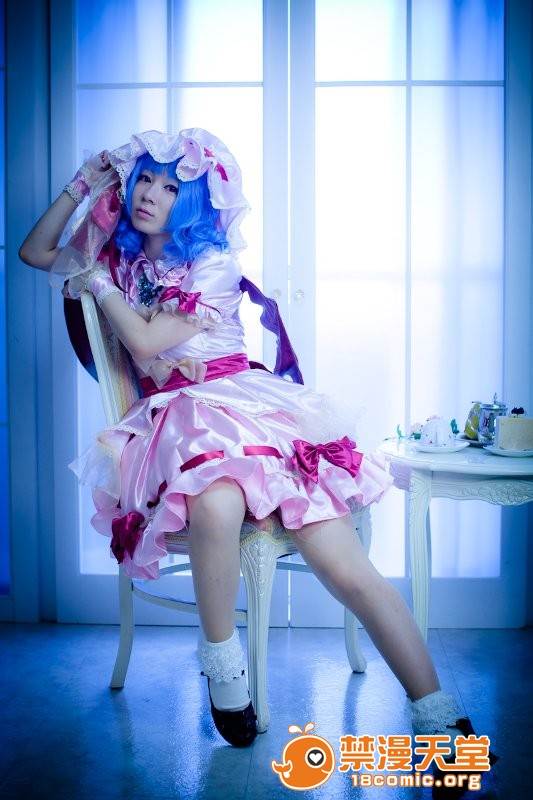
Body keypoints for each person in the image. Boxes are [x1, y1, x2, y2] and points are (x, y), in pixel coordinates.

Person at [19, 129, 497, 786]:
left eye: (171, 187)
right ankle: (224, 670)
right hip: (180, 422)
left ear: (195, 202)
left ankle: (439, 719)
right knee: (215, 503)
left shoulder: (211, 262)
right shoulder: (118, 255)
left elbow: (149, 341)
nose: (151, 194)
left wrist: (98, 284)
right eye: (145, 180)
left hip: (249, 408)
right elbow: (34, 250)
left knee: (343, 564)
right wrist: (84, 182)